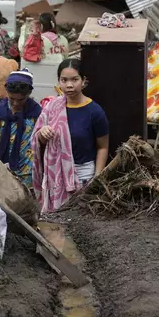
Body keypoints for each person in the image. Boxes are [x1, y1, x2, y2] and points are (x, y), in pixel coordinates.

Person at [31, 58, 109, 213]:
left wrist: (97, 177)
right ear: (58, 82)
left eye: (75, 80)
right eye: (64, 80)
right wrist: (42, 134)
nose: (69, 85)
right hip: (55, 177)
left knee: (79, 221)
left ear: (84, 81)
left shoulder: (94, 112)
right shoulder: (51, 108)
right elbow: (36, 139)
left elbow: (103, 147)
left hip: (83, 175)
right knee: (57, 222)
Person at [0, 69, 41, 189]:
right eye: (12, 98)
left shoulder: (36, 112)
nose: (16, 103)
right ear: (7, 92)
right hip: (3, 168)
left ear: (28, 95)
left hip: (28, 169)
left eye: (21, 99)